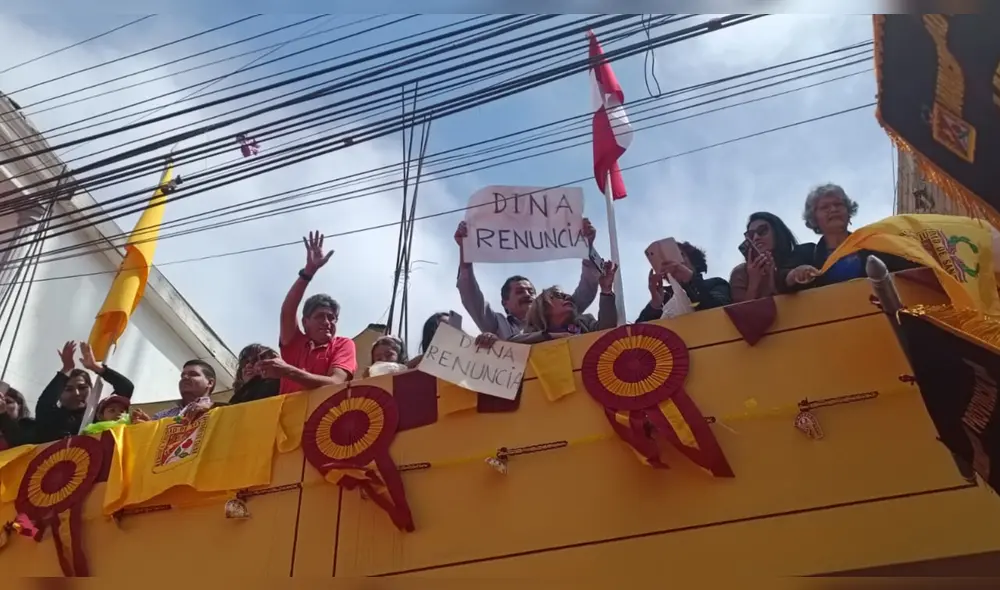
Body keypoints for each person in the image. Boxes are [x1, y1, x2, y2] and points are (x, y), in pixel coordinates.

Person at [453, 220, 601, 341]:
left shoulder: (561, 310)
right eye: (519, 292)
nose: (527, 295)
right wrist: (465, 254)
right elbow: (471, 297)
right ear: (505, 303)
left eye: (531, 291)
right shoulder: (497, 324)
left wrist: (586, 247)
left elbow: (586, 289)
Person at [264, 231, 357, 394]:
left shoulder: (343, 344)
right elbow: (288, 310)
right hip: (287, 417)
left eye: (332, 318)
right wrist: (308, 272)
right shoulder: (295, 342)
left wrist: (288, 371)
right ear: (305, 322)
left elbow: (336, 382)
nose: (327, 322)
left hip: (325, 418)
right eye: (320, 316)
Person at [782, 183, 915, 289]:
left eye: (838, 204)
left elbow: (911, 269)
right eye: (825, 207)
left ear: (848, 212)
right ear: (814, 218)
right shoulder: (806, 253)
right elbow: (779, 280)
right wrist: (794, 275)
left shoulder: (874, 246)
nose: (833, 209)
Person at [35, 341, 135, 443]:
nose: (77, 393)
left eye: (82, 388)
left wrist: (96, 368)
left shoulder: (99, 415)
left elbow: (126, 388)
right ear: (58, 394)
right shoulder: (50, 417)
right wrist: (66, 369)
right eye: (69, 389)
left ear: (91, 389)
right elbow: (44, 403)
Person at [510, 261, 619, 344]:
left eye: (566, 296)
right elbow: (510, 343)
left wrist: (606, 290)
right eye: (559, 296)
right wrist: (551, 336)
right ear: (544, 308)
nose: (567, 297)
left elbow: (607, 331)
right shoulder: (533, 334)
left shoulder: (585, 323)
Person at [636, 242, 732, 322]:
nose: (675, 263)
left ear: (694, 262)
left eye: (681, 255)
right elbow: (638, 336)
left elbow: (721, 312)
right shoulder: (664, 298)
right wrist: (655, 304)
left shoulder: (716, 283)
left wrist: (690, 280)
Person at [729, 212, 807, 302]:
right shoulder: (741, 272)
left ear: (777, 232)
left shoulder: (799, 258)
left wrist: (773, 279)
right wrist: (753, 283)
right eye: (750, 235)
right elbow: (740, 313)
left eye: (762, 231)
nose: (756, 238)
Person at [150, 360, 217, 421]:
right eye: (182, 375)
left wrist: (211, 407)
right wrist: (147, 425)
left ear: (210, 383)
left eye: (193, 374)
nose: (185, 377)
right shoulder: (161, 416)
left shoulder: (219, 411)